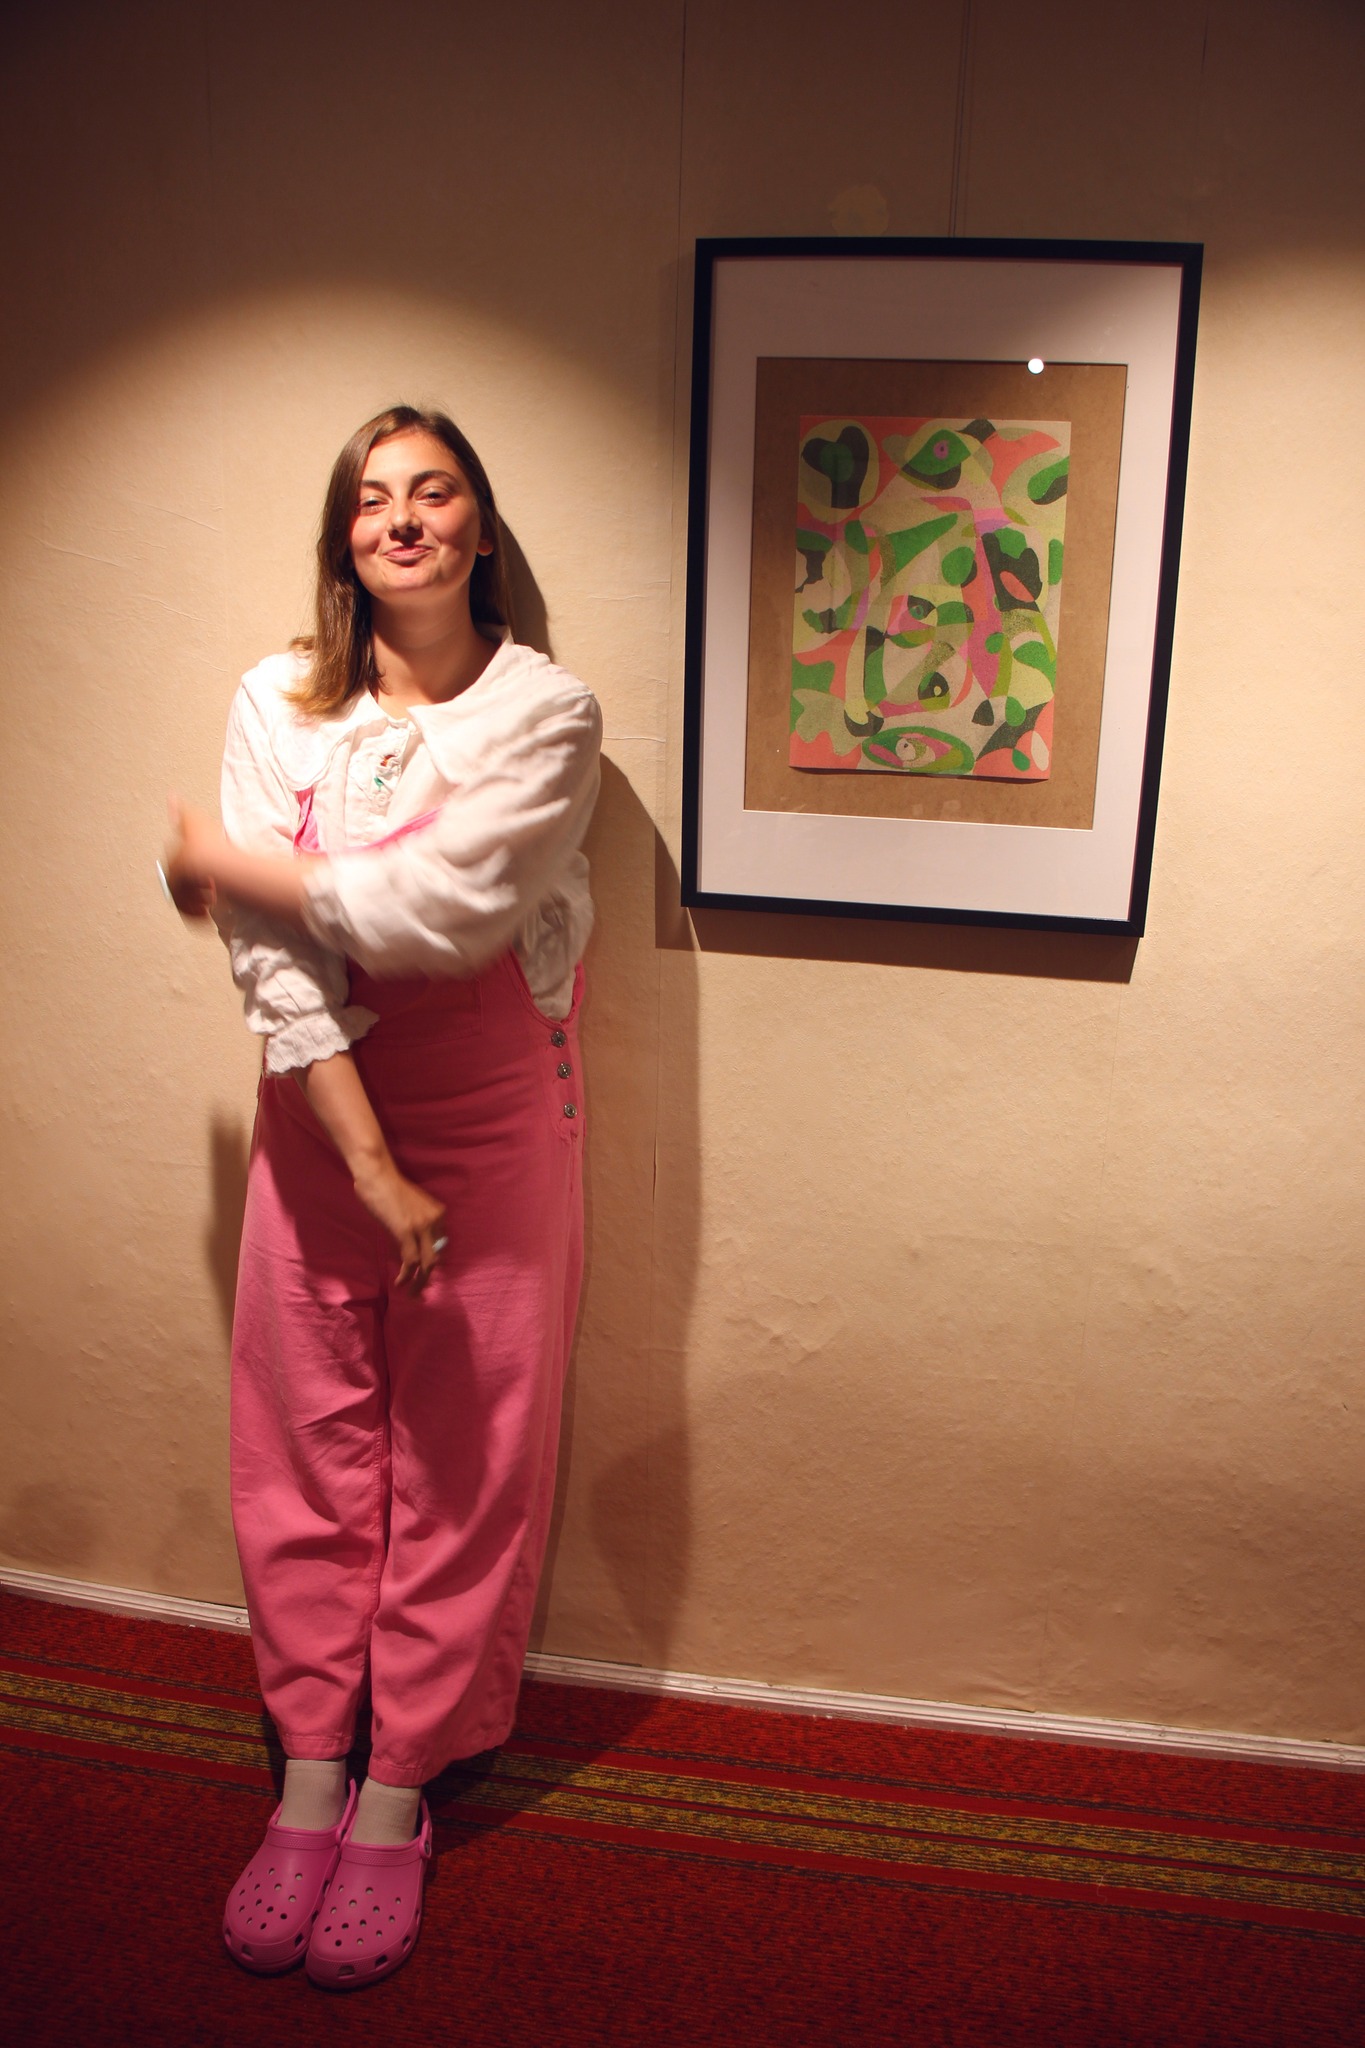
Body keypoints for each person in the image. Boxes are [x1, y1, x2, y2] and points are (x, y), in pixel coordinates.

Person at [163, 404, 601, 1990]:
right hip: (321, 1110)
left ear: (479, 527)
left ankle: (398, 1785)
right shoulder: (273, 697)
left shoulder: (548, 712)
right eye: (370, 498)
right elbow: (273, 960)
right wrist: (362, 1157)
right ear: (343, 539)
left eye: (433, 491)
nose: (400, 518)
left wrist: (224, 858)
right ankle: (307, 1773)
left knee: (464, 1461)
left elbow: (445, 910)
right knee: (304, 1451)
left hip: (492, 1120)